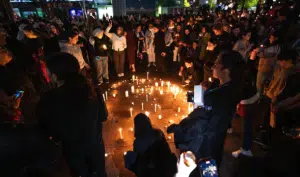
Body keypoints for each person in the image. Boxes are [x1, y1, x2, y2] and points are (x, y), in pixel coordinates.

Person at [168, 51, 245, 167]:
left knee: (205, 168)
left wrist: (179, 129)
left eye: (217, 63)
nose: (213, 66)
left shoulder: (217, 96)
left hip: (204, 144)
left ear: (226, 70)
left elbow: (198, 122)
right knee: (212, 166)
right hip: (216, 141)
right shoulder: (231, 89)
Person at [37, 53, 107, 177]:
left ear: (54, 76)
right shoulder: (93, 90)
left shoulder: (50, 98)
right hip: (95, 146)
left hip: (73, 151)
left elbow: (48, 130)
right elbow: (103, 116)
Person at [250, 31, 281, 97]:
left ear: (276, 38)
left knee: (259, 84)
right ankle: (263, 95)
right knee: (266, 84)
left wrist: (256, 51)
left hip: (264, 69)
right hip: (271, 68)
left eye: (271, 37)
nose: (269, 39)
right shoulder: (276, 47)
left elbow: (263, 54)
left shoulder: (273, 48)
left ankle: (259, 97)